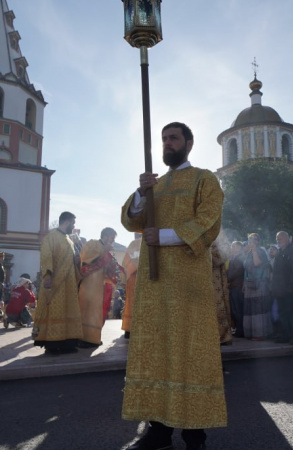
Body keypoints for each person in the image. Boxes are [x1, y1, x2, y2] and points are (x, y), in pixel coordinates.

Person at [121, 122, 226, 450]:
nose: (167, 143)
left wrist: (163, 237)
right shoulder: (156, 183)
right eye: (164, 139)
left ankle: (195, 433)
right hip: (155, 289)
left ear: (189, 143)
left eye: (173, 138)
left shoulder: (204, 179)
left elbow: (209, 223)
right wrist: (140, 193)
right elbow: (131, 221)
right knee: (158, 355)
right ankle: (159, 430)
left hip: (189, 287)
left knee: (190, 354)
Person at [32, 212, 83, 354]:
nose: (74, 227)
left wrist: (77, 262)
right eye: (73, 223)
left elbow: (71, 261)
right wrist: (47, 276)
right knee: (54, 313)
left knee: (68, 311)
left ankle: (68, 343)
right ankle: (53, 345)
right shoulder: (51, 237)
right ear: (66, 222)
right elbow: (46, 256)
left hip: (69, 285)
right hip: (56, 283)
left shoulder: (70, 240)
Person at [78, 227, 123, 348]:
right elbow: (86, 257)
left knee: (97, 312)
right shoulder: (92, 243)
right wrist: (104, 250)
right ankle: (82, 338)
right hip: (89, 283)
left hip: (100, 285)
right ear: (106, 236)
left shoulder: (107, 251)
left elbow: (107, 268)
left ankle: (94, 338)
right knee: (86, 309)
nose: (113, 241)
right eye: (112, 238)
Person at [271, 231, 293, 344]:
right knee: (283, 313)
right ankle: (286, 334)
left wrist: (291, 287)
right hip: (280, 290)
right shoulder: (280, 252)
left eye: (280, 238)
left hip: (290, 290)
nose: (278, 240)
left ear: (286, 238)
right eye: (277, 238)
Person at [242, 233, 273, 341]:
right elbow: (245, 268)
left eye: (254, 239)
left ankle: (260, 333)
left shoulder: (261, 251)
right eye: (250, 240)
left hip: (260, 283)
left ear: (258, 241)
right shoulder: (248, 252)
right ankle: (251, 332)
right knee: (251, 309)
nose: (252, 242)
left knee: (258, 309)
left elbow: (257, 263)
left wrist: (254, 250)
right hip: (250, 283)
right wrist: (244, 284)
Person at [211, 240, 233, 345]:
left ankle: (222, 335)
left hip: (214, 277)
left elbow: (226, 252)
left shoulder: (218, 235)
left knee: (217, 305)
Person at [121, 233, 142, 339]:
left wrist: (124, 280)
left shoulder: (134, 243)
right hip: (146, 277)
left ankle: (129, 329)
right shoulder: (153, 239)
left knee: (131, 303)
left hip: (133, 278)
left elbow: (126, 262)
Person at [227, 241, 246, 338]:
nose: (232, 248)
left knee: (238, 309)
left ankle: (241, 330)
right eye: (231, 246)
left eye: (234, 246)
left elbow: (237, 271)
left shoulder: (239, 257)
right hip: (233, 286)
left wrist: (227, 278)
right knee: (234, 310)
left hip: (237, 286)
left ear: (239, 248)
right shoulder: (234, 257)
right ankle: (239, 329)